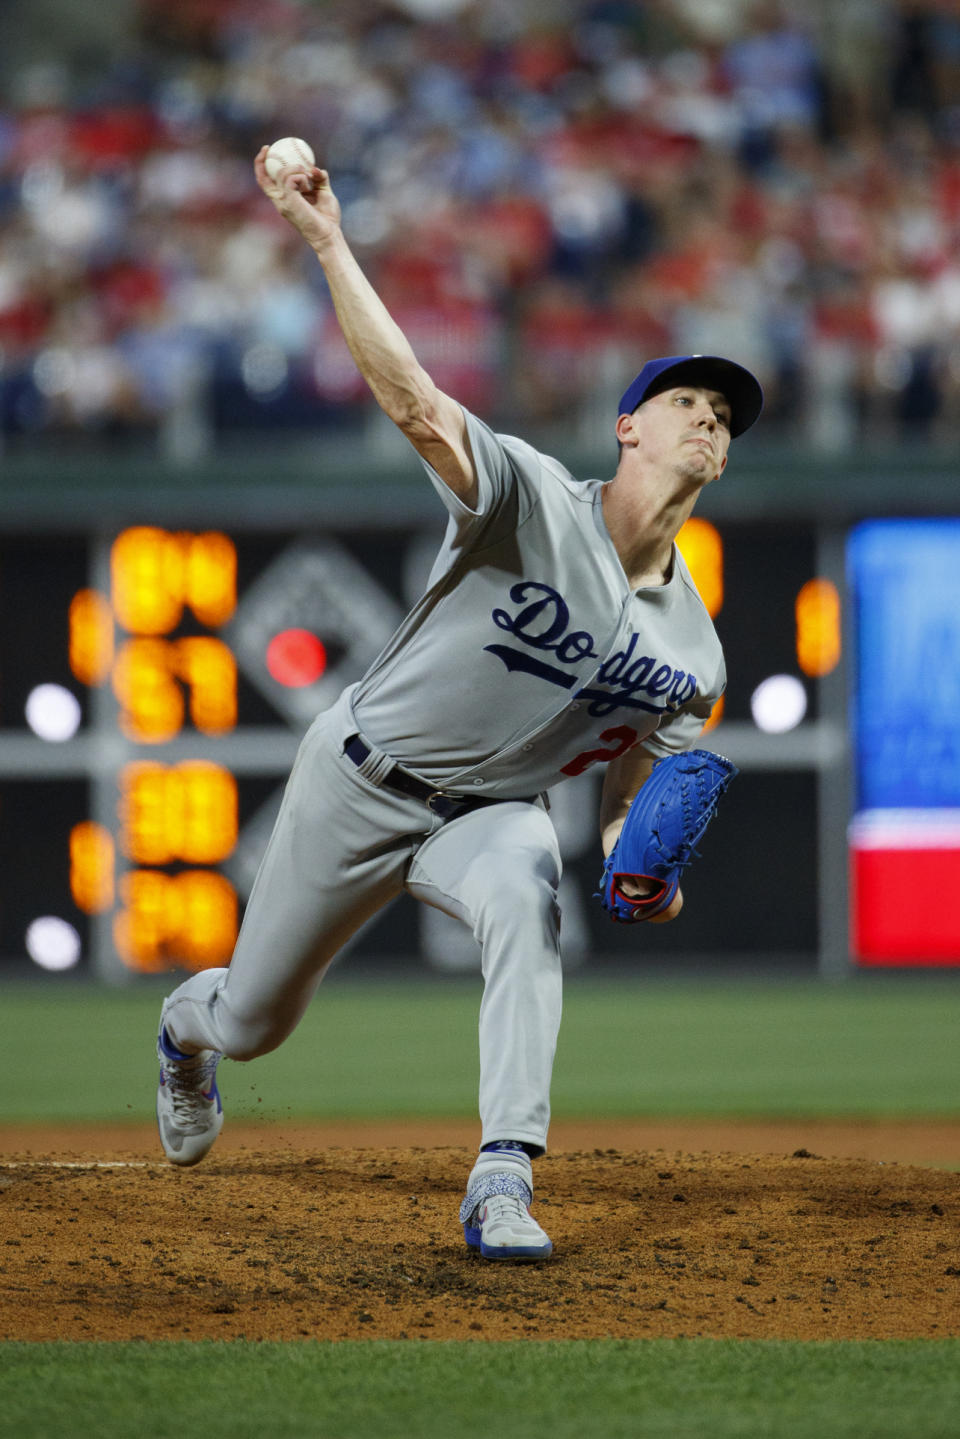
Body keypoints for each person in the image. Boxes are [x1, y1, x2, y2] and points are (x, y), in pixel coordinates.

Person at [154, 146, 763, 1262]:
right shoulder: (529, 497)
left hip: (495, 812)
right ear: (627, 426)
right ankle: (184, 1036)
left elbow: (633, 793)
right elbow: (414, 401)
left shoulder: (697, 656)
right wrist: (329, 241)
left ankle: (503, 1179)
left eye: (724, 415)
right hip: (361, 773)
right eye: (686, 400)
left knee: (532, 901)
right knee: (253, 1020)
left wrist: (643, 866)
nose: (709, 420)